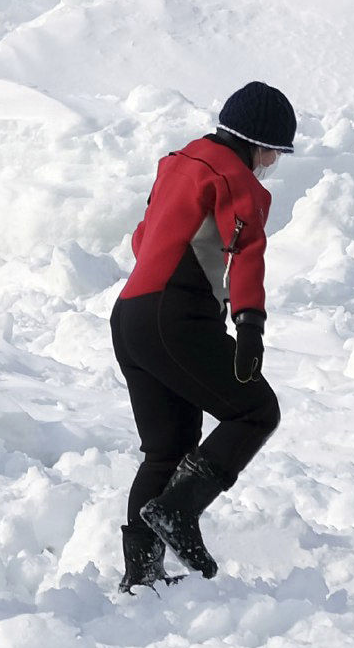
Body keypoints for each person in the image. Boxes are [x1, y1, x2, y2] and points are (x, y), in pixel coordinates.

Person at [115, 83, 293, 583]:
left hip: (129, 316)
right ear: (257, 143)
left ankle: (141, 575)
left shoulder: (178, 164)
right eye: (274, 153)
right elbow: (248, 251)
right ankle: (179, 511)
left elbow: (141, 238)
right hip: (174, 317)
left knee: (167, 447)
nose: (270, 164)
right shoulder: (235, 176)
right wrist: (250, 324)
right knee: (257, 410)